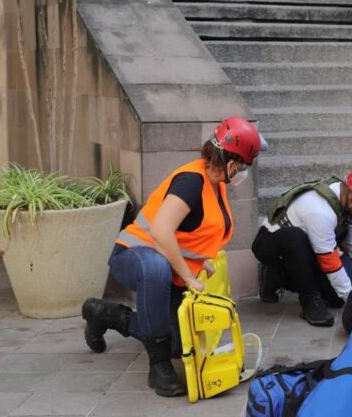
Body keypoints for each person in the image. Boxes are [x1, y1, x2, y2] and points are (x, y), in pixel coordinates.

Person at [80, 117, 263, 397]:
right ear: (231, 163)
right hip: (134, 256)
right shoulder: (191, 181)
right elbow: (161, 231)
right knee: (156, 269)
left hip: (167, 268)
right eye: (244, 166)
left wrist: (201, 262)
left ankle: (104, 314)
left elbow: (192, 233)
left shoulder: (217, 185)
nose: (243, 172)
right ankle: (158, 365)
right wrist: (189, 275)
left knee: (181, 344)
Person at [252, 167, 352, 327]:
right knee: (295, 238)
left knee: (335, 299)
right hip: (270, 244)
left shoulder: (346, 196)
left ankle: (282, 277)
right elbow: (329, 262)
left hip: (305, 248)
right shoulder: (320, 211)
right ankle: (305, 297)